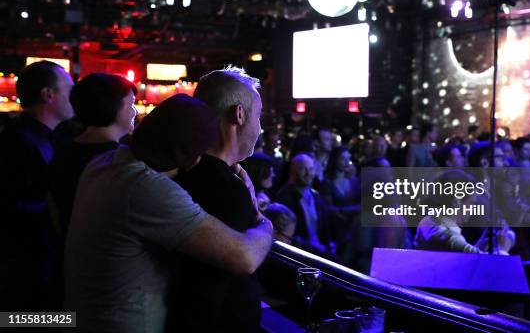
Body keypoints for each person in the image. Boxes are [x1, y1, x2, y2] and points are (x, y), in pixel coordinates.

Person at [64, 94, 273, 333]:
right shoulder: (146, 188)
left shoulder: (103, 163)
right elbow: (244, 257)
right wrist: (263, 222)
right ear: (193, 160)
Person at [169, 67, 265, 333]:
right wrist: (260, 218)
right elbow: (211, 293)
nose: (260, 127)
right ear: (240, 114)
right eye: (259, 116)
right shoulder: (228, 190)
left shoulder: (180, 174)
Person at [0, 60, 74, 311]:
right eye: (69, 90)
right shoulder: (14, 143)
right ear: (48, 94)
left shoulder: (55, 137)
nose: (74, 97)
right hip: (26, 270)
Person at [49, 73, 137, 237]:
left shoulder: (61, 153)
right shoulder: (119, 160)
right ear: (111, 107)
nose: (135, 111)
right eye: (131, 104)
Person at [414, 170, 515, 254]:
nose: (473, 209)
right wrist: (503, 248)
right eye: (471, 203)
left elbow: (464, 256)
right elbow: (483, 264)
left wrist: (481, 243)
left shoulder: (429, 221)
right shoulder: (446, 235)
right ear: (456, 202)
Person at [276, 153, 333, 255]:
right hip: (300, 255)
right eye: (304, 169)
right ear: (293, 171)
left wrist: (327, 247)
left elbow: (324, 230)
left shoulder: (315, 196)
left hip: (320, 253)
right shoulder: (284, 198)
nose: (308, 173)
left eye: (311, 169)